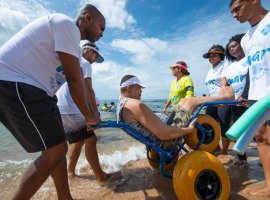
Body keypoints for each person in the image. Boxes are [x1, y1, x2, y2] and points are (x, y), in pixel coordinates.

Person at [0, 4, 105, 200]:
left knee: (58, 147)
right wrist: (89, 117)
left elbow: (75, 83)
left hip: (38, 91)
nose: (102, 34)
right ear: (88, 18)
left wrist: (89, 113)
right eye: (101, 27)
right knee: (55, 150)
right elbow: (75, 82)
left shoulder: (72, 45)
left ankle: (65, 197)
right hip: (13, 81)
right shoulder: (67, 26)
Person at [56, 41, 118, 182]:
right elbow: (88, 90)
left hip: (60, 109)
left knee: (77, 142)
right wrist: (94, 115)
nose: (95, 60)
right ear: (89, 51)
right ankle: (101, 176)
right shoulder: (85, 62)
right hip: (72, 109)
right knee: (91, 139)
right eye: (96, 56)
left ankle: (70, 173)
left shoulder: (71, 60)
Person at [117, 75, 235, 143]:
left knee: (183, 101)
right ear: (129, 87)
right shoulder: (134, 105)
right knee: (192, 101)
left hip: (165, 127)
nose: (141, 91)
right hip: (168, 137)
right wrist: (189, 130)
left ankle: (221, 96)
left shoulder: (121, 105)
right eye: (138, 88)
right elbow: (164, 134)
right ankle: (226, 97)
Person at [230, 0, 270, 196]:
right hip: (257, 96)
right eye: (232, 12)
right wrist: (246, 94)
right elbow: (250, 70)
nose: (234, 15)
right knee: (262, 139)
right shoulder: (245, 39)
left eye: (237, 9)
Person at [222, 33, 249, 168]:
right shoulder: (230, 66)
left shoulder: (250, 59)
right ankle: (242, 159)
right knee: (239, 130)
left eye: (234, 45)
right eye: (229, 48)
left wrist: (245, 95)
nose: (232, 49)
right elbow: (226, 85)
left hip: (251, 99)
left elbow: (253, 78)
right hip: (236, 102)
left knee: (262, 131)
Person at [203, 44, 232, 156]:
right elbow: (211, 87)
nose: (211, 57)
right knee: (208, 124)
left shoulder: (225, 65)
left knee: (224, 124)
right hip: (212, 100)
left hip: (224, 99)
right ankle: (216, 146)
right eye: (210, 55)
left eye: (214, 55)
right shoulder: (210, 70)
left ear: (221, 56)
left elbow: (224, 84)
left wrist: (220, 99)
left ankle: (224, 151)